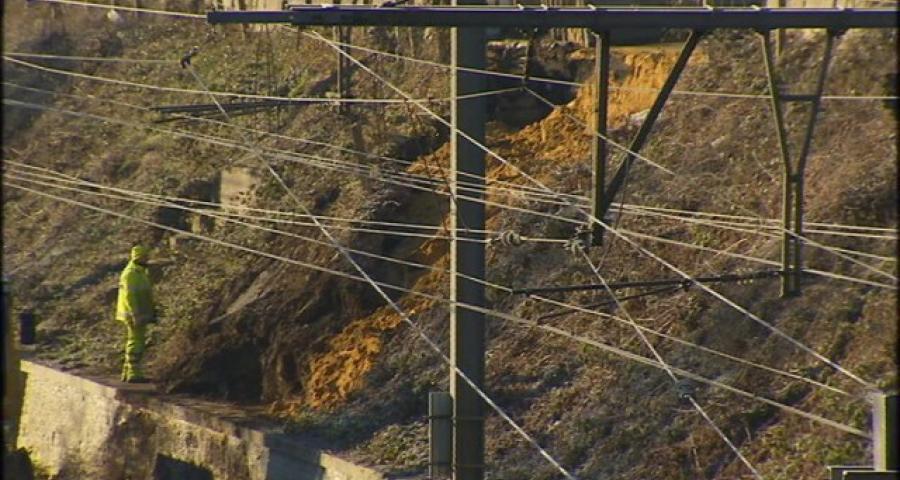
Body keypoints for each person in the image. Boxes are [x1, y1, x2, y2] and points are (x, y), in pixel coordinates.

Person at [115, 245, 155, 383]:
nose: (147, 259)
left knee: (136, 341)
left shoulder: (140, 272)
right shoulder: (131, 274)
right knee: (135, 343)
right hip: (134, 315)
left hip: (140, 313)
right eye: (145, 257)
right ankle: (133, 373)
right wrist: (135, 315)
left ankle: (128, 372)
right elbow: (130, 297)